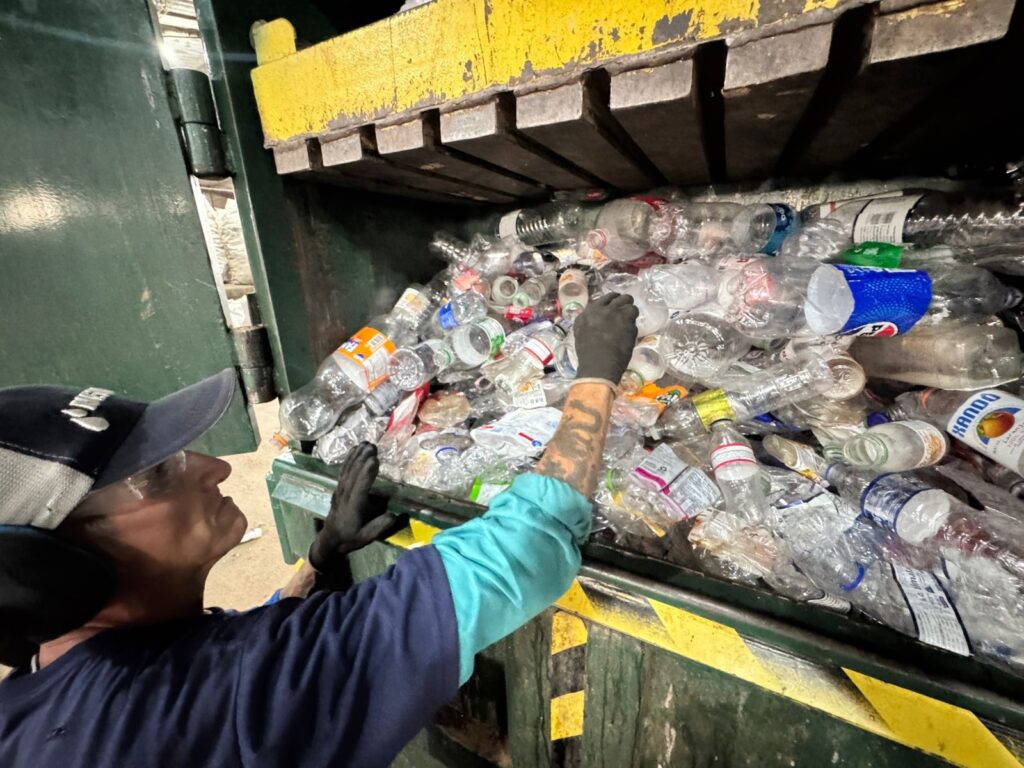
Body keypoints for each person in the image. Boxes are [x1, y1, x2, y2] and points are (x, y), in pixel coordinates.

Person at [0, 293, 638, 768]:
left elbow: (236, 645)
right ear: (50, 568)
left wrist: (318, 561)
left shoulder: (31, 694)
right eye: (158, 474)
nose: (216, 467)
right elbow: (523, 548)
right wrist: (597, 374)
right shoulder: (234, 694)